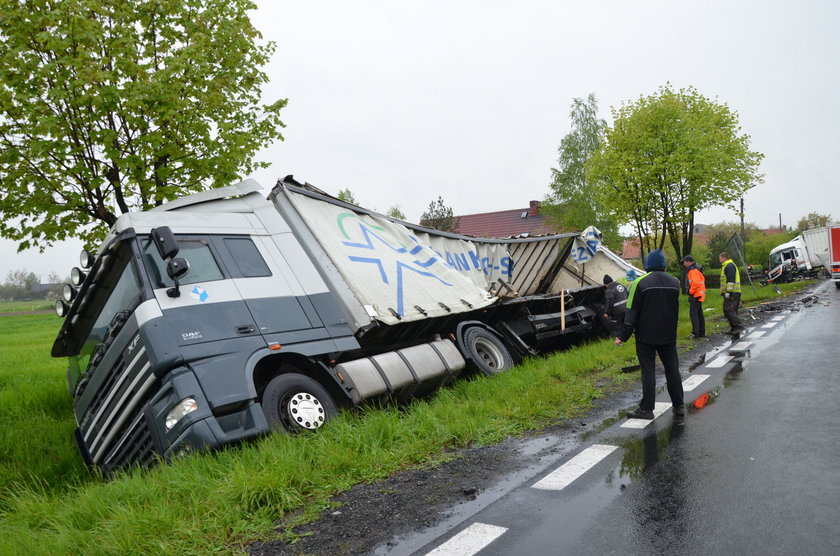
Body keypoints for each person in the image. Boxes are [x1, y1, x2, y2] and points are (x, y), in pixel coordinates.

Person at [615, 249, 685, 419]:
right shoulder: (675, 283)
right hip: (668, 335)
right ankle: (679, 406)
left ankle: (646, 410)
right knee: (672, 370)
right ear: (663, 264)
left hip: (645, 337)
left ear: (647, 265)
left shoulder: (639, 283)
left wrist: (622, 336)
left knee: (648, 371)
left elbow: (631, 313)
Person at [719, 251, 745, 334]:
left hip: (732, 293)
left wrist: (728, 292)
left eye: (720, 259)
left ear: (723, 258)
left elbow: (731, 280)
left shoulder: (729, 266)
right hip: (734, 292)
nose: (720, 261)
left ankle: (738, 327)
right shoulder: (729, 265)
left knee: (728, 310)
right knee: (733, 310)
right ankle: (734, 328)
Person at [681, 255, 706, 338]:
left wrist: (690, 292)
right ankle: (701, 332)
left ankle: (695, 333)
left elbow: (695, 283)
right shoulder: (696, 268)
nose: (684, 264)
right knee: (699, 313)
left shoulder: (693, 270)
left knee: (693, 314)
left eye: (684, 262)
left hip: (696, 294)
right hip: (699, 294)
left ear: (688, 261)